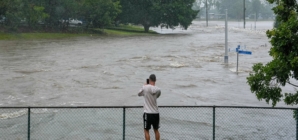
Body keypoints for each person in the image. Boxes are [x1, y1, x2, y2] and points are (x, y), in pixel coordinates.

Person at [138, 74, 161, 140]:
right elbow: (157, 96)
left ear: (149, 80)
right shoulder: (158, 89)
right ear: (155, 80)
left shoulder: (145, 87)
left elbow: (139, 93)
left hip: (147, 112)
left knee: (146, 130)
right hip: (156, 112)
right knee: (156, 130)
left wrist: (144, 85)